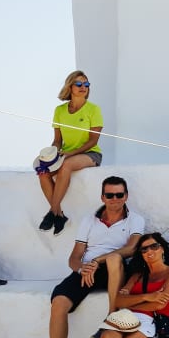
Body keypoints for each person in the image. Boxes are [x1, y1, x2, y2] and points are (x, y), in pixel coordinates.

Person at [34, 176, 144, 338]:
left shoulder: (135, 220)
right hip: (88, 270)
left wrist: (96, 261)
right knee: (58, 303)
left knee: (113, 259)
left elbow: (131, 249)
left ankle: (111, 321)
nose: (115, 199)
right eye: (110, 195)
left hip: (115, 268)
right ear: (102, 197)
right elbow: (74, 257)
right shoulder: (89, 221)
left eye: (119, 195)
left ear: (126, 196)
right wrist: (82, 268)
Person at [37, 70, 104, 236]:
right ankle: (59, 215)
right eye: (79, 84)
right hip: (66, 153)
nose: (83, 87)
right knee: (42, 171)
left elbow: (92, 141)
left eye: (86, 84)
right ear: (70, 86)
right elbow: (57, 140)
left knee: (66, 165)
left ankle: (52, 213)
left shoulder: (94, 110)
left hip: (90, 154)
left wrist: (70, 153)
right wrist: (52, 154)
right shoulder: (59, 110)